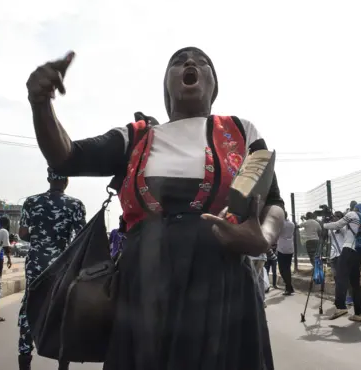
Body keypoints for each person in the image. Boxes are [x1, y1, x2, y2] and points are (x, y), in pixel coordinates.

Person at [26, 47, 284, 370]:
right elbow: (66, 156)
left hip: (225, 292)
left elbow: (273, 202)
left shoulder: (241, 131)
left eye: (202, 61)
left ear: (213, 85)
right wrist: (41, 105)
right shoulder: (137, 137)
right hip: (144, 292)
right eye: (178, 61)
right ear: (166, 86)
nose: (190, 63)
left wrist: (263, 237)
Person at [17, 170, 86, 370]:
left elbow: (22, 233)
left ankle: (24, 361)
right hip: (61, 266)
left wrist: (39, 238)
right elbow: (81, 236)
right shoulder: (75, 204)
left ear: (48, 179)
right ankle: (63, 364)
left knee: (29, 307)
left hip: (35, 264)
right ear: (66, 180)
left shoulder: (31, 202)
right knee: (62, 308)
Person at [323, 203, 361, 322]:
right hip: (359, 253)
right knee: (355, 283)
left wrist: (324, 225)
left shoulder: (352, 214)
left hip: (348, 249)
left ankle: (340, 307)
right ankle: (359, 313)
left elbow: (338, 224)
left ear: (356, 209)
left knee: (340, 277)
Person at [329, 211, 353, 307]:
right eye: (334, 216)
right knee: (336, 278)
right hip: (333, 255)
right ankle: (339, 298)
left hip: (342, 255)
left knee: (343, 278)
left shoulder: (344, 227)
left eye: (338, 216)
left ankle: (348, 297)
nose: (335, 218)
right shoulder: (331, 228)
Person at [276, 211, 295, 295]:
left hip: (282, 249)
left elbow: (276, 234)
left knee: (282, 269)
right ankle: (289, 287)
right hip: (290, 248)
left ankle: (289, 287)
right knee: (287, 268)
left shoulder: (280, 224)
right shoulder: (292, 224)